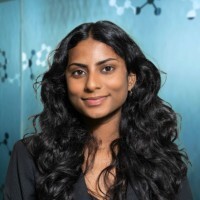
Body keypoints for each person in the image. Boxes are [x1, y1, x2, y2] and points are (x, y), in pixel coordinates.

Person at [4, 21, 193, 200]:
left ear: (131, 79)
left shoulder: (165, 160)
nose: (92, 84)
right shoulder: (29, 156)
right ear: (65, 82)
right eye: (78, 72)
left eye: (107, 68)